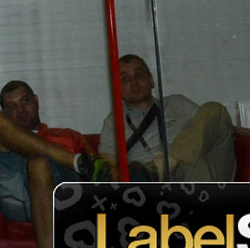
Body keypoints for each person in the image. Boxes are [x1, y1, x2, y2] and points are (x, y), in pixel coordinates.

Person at [0, 80, 100, 248]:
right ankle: (74, 161)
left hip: (62, 196)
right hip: (16, 198)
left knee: (38, 163)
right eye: (11, 107)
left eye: (25, 101)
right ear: (5, 113)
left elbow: (102, 175)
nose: (20, 110)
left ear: (36, 101)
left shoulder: (68, 136)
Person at [97, 54, 235, 182]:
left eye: (139, 75)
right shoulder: (113, 122)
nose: (134, 83)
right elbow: (108, 171)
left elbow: (215, 128)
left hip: (205, 173)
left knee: (215, 109)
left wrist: (173, 159)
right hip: (152, 184)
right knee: (192, 163)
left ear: (150, 79)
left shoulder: (178, 103)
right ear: (117, 88)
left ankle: (167, 162)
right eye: (125, 79)